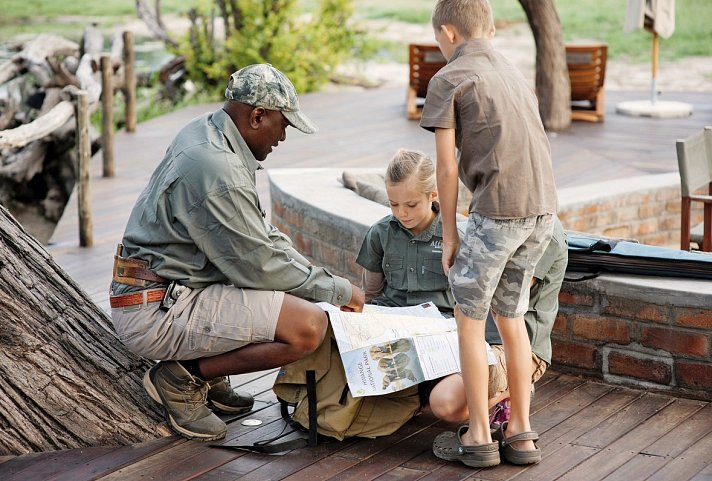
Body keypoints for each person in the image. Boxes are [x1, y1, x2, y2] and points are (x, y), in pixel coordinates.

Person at [109, 64, 365, 442]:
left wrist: (315, 277)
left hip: (166, 289)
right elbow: (259, 266)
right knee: (307, 327)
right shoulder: (216, 168)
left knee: (295, 293)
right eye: (284, 124)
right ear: (257, 115)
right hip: (154, 310)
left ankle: (209, 373)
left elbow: (260, 237)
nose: (284, 136)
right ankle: (183, 377)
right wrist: (339, 291)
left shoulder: (207, 130)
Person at [420, 0, 558, 468]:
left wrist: (450, 232)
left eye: (439, 39)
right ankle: (520, 432)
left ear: (449, 33)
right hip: (543, 212)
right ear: (491, 28)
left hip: (497, 213)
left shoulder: (448, 78)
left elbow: (444, 167)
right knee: (512, 318)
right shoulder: (514, 72)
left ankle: (479, 434)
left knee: (470, 321)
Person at [355, 148, 456, 315]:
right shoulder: (379, 234)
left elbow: (472, 298)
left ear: (433, 195)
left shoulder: (455, 234)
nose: (401, 213)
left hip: (441, 320)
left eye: (411, 205)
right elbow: (371, 295)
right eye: (394, 204)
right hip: (392, 316)